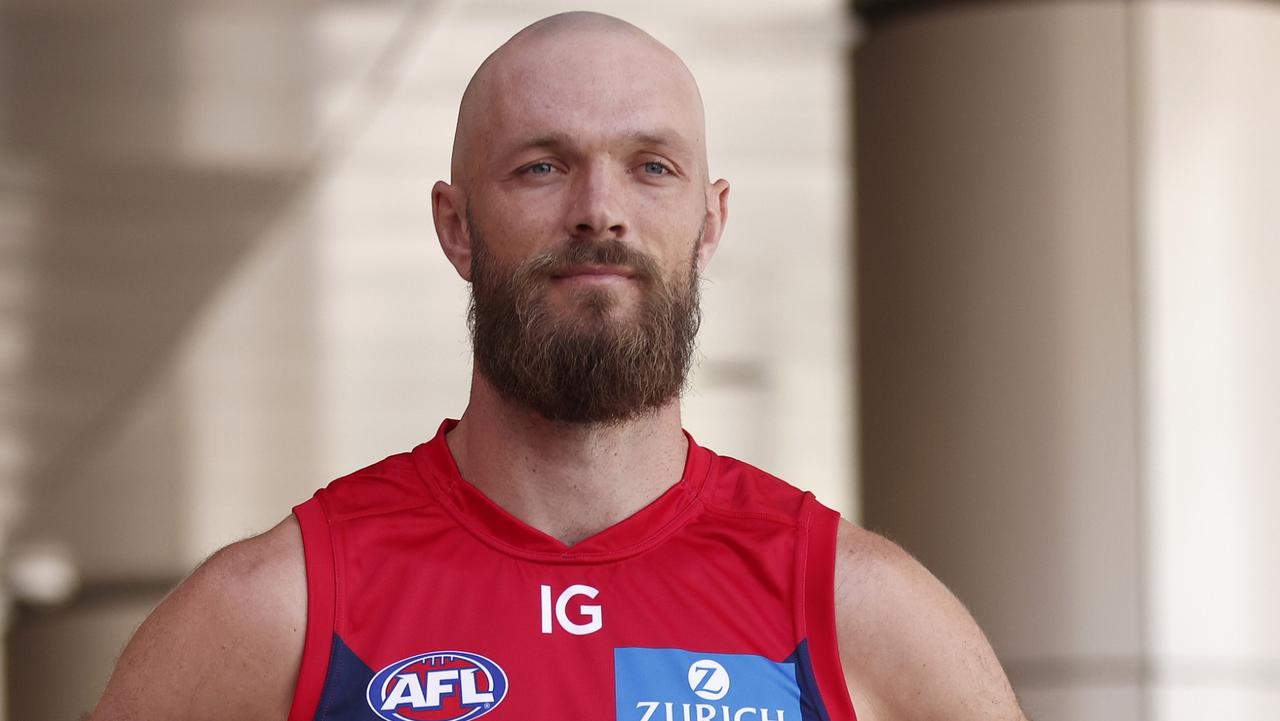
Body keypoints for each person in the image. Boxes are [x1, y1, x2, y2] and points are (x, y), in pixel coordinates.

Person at [88, 11, 1027, 721]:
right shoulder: (276, 614)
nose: (599, 211)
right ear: (456, 226)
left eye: (652, 166)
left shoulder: (857, 611)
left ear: (711, 222)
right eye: (542, 166)